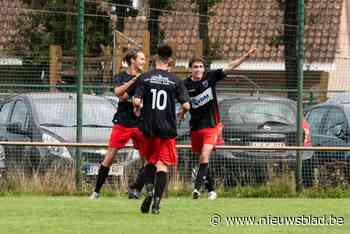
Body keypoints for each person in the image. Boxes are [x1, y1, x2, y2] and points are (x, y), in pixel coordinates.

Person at [185, 48, 256, 200]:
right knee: (202, 159)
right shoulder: (185, 85)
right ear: (190, 69)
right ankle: (211, 190)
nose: (198, 69)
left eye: (201, 66)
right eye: (195, 67)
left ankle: (196, 188)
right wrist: (181, 113)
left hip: (211, 126)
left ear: (204, 69)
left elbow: (229, 66)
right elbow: (182, 102)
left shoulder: (210, 78)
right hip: (195, 128)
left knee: (205, 155)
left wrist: (245, 57)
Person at [89, 48, 155, 199]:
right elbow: (119, 93)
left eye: (144, 59)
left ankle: (146, 190)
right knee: (110, 156)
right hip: (123, 122)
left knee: (147, 157)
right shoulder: (120, 76)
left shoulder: (145, 79)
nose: (144, 62)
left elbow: (138, 98)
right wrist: (133, 81)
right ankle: (96, 191)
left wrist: (136, 100)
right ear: (133, 60)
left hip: (140, 123)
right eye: (141, 59)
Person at [133, 44, 190, 214]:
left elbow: (136, 101)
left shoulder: (145, 77)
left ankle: (149, 189)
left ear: (156, 58)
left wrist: (139, 107)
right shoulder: (175, 81)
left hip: (148, 126)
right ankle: (157, 203)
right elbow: (186, 104)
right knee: (162, 165)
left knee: (150, 162)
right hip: (167, 128)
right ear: (170, 60)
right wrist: (182, 113)